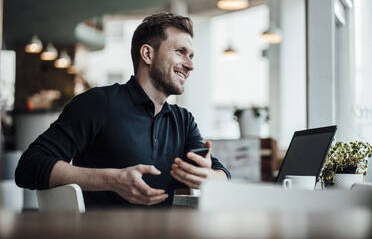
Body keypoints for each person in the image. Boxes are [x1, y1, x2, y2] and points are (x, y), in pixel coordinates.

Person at [15, 13, 230, 209]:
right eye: (180, 52)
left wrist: (208, 176)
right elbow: (29, 166)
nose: (190, 65)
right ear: (147, 54)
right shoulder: (98, 103)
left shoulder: (183, 121)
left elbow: (222, 174)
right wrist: (113, 179)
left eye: (191, 56)